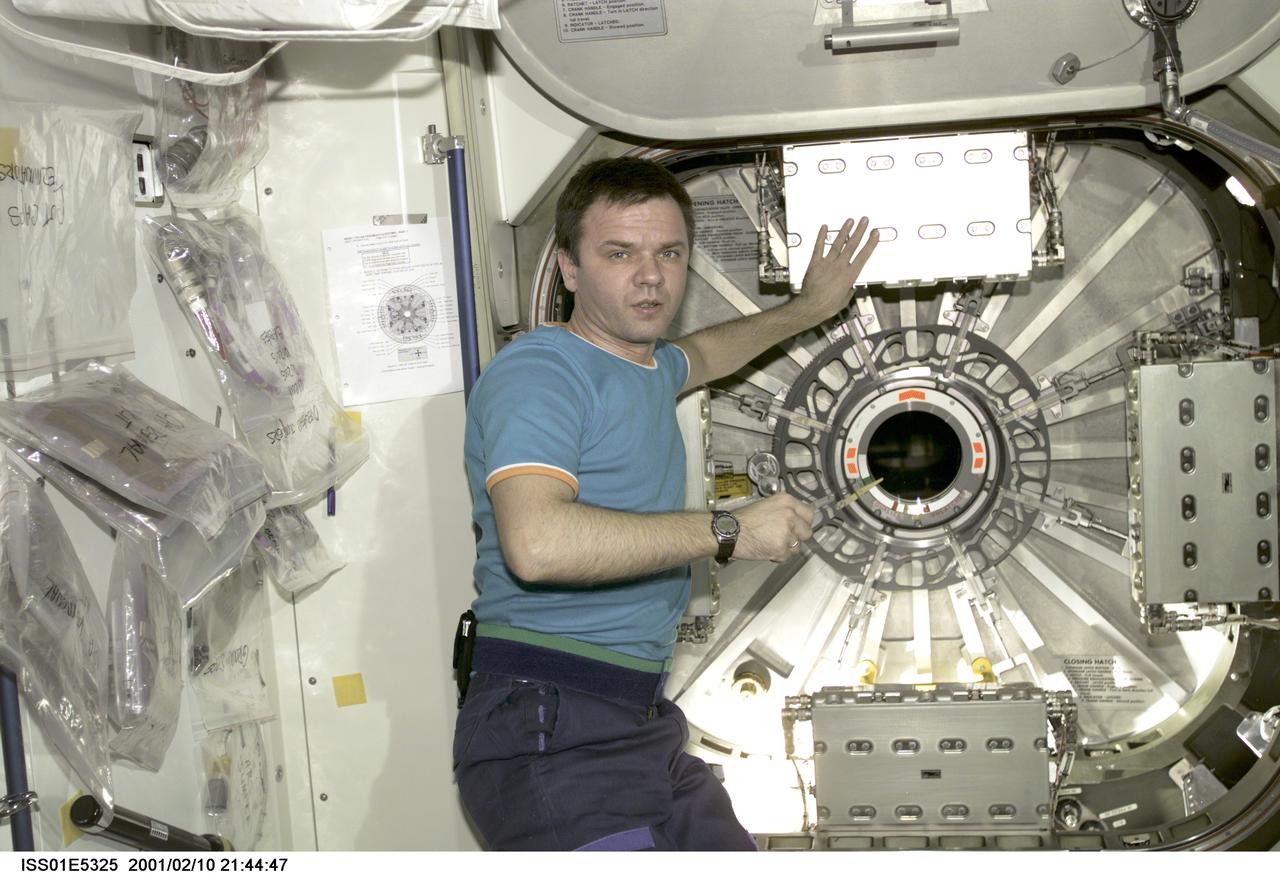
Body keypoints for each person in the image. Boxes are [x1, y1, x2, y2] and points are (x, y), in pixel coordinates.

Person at [454, 156, 877, 851]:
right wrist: (728, 528)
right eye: (620, 253)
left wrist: (810, 309)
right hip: (552, 722)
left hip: (637, 718)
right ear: (569, 269)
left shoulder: (645, 366)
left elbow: (707, 353)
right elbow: (537, 544)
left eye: (669, 253)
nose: (651, 276)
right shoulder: (540, 373)